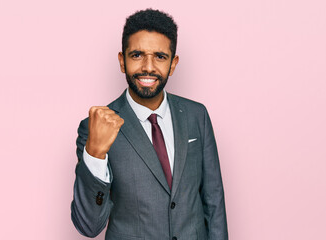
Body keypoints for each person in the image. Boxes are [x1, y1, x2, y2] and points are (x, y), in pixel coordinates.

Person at [71, 9, 228, 240]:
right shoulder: (94, 126)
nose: (148, 67)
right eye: (136, 55)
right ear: (122, 61)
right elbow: (88, 226)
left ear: (173, 64)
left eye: (160, 57)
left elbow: (214, 202)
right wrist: (95, 153)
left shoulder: (197, 115)